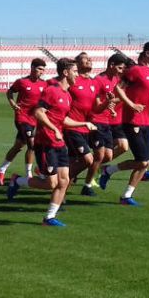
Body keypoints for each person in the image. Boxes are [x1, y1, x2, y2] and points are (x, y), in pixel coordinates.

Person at [6, 58, 97, 226]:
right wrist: (53, 129)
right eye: (75, 71)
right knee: (51, 183)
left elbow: (63, 120)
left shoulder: (68, 95)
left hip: (59, 143)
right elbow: (38, 113)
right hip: (45, 143)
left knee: (64, 181)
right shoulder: (52, 91)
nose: (77, 75)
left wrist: (83, 123)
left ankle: (49, 218)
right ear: (65, 72)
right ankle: (17, 180)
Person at [98, 42, 149, 206]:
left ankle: (126, 196)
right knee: (143, 161)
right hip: (132, 121)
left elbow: (145, 98)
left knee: (146, 162)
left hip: (146, 121)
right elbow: (118, 88)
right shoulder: (135, 70)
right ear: (147, 54)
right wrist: (131, 105)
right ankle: (108, 170)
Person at [0, 58, 47, 185]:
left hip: (35, 119)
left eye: (43, 70)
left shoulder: (44, 84)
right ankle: (29, 174)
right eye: (40, 69)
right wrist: (12, 103)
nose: (42, 72)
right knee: (32, 144)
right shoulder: (22, 82)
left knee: (18, 146)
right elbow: (10, 91)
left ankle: (1, 169)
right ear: (33, 67)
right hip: (22, 117)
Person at [84, 53, 128, 193]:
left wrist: (111, 109)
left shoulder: (115, 79)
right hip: (96, 121)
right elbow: (95, 102)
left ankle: (79, 166)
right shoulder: (99, 80)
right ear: (111, 65)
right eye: (120, 68)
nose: (122, 71)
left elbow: (108, 100)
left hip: (107, 121)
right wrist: (109, 103)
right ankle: (87, 185)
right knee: (100, 155)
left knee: (108, 156)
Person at [64, 52, 99, 196]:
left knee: (73, 162)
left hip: (86, 128)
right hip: (72, 127)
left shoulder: (93, 82)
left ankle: (61, 196)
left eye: (90, 58)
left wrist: (109, 104)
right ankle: (59, 180)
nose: (89, 60)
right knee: (88, 159)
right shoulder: (72, 81)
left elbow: (96, 107)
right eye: (85, 58)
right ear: (77, 64)